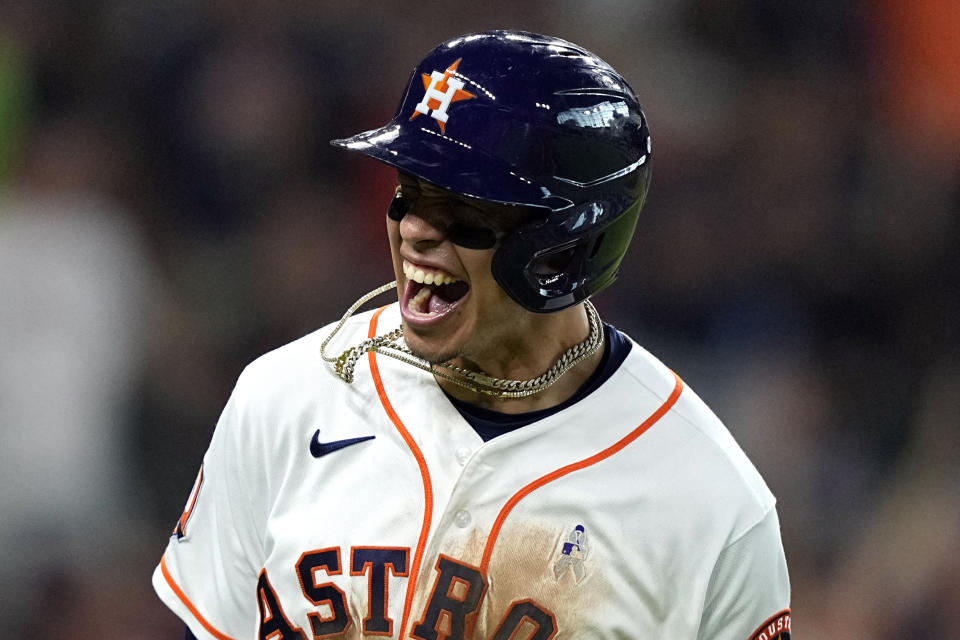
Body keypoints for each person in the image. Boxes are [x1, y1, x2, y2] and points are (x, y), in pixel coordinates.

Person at [153, 30, 791, 640]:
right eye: (409, 192)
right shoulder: (286, 400)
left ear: (563, 243)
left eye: (465, 209)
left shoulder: (711, 504)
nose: (415, 231)